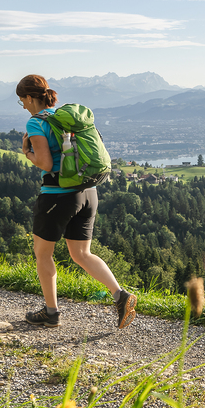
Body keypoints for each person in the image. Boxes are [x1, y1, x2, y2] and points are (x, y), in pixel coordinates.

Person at [16, 74, 136, 328]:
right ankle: (120, 295)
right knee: (82, 253)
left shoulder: (36, 123)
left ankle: (51, 312)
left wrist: (27, 152)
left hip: (58, 196)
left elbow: (46, 163)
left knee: (42, 254)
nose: (23, 106)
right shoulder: (66, 119)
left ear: (29, 97)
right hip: (88, 192)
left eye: (22, 101)